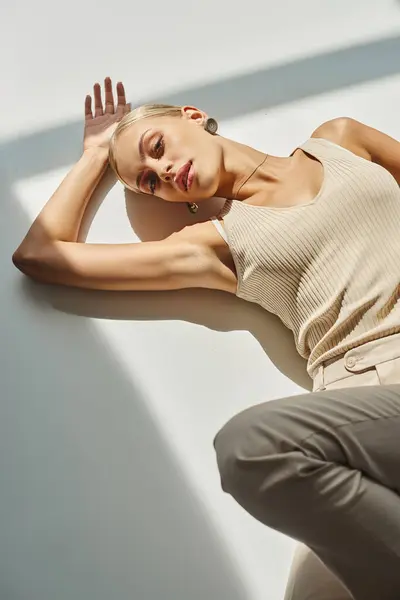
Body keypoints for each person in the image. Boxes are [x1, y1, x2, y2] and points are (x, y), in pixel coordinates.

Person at [12, 77, 400, 599]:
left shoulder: (341, 141)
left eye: (156, 148)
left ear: (192, 115)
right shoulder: (213, 246)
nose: (164, 172)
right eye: (148, 182)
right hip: (350, 403)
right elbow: (40, 255)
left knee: (254, 447)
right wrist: (95, 156)